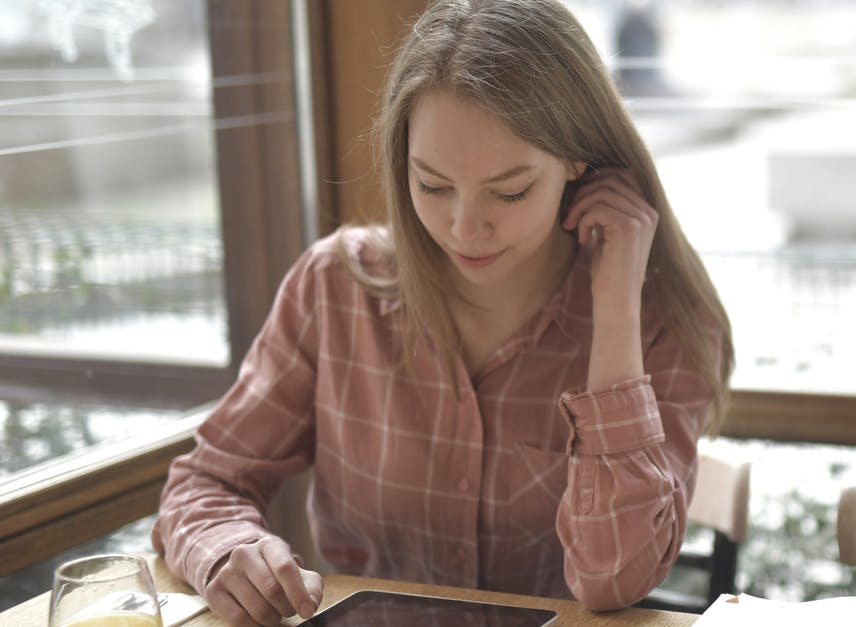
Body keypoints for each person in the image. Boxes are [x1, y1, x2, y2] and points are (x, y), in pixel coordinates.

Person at [152, 0, 733, 624]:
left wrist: (615, 306)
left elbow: (612, 578)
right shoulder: (335, 289)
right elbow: (206, 484)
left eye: (509, 191)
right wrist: (231, 552)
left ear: (578, 160)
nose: (464, 228)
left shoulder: (666, 321)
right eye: (431, 185)